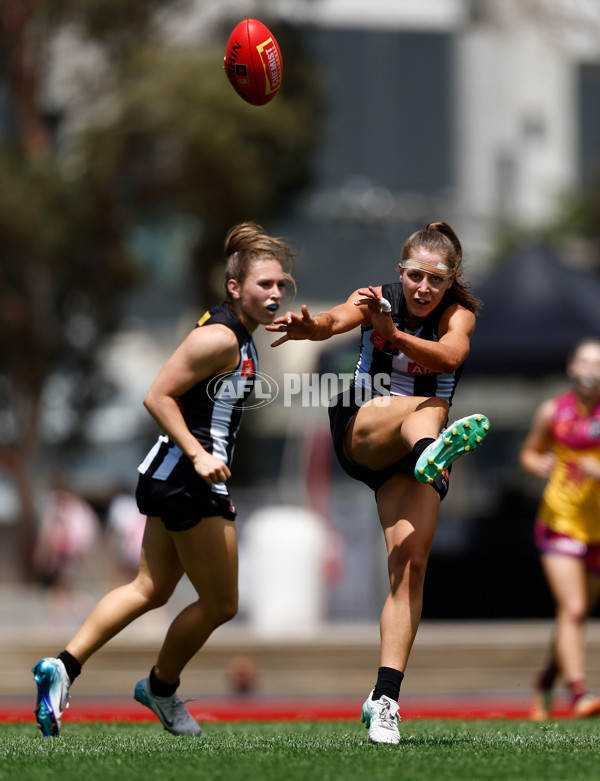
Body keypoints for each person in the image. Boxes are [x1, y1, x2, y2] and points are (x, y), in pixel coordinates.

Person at [32, 222, 296, 738]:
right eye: (265, 284)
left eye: (281, 284)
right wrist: (199, 455)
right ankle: (160, 687)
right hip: (187, 479)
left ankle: (63, 667)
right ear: (234, 288)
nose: (276, 293)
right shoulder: (220, 336)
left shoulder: (238, 333)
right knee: (222, 603)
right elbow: (156, 396)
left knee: (150, 588)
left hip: (167, 475)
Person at [267, 221, 489, 744]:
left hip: (416, 451)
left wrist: (397, 336)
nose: (422, 289)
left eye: (436, 280)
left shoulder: (460, 315)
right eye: (415, 276)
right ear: (400, 271)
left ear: (451, 279)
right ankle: (429, 453)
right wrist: (311, 326)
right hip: (366, 426)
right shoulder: (377, 300)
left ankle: (384, 697)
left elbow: (452, 357)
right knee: (427, 406)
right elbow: (333, 320)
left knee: (409, 566)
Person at [519, 337, 600, 721]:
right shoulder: (553, 411)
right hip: (560, 519)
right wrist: (540, 465)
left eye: (597, 364)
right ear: (571, 368)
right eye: (584, 362)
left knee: (576, 615)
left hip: (597, 527)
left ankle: (545, 682)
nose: (590, 370)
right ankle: (580, 694)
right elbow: (530, 453)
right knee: (573, 606)